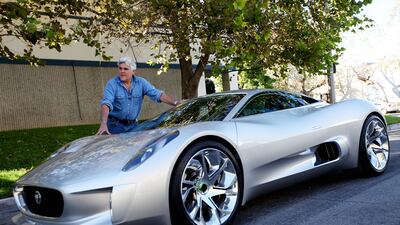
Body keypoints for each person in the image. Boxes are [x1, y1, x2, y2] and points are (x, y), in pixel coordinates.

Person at [96, 56, 181, 135]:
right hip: (115, 125)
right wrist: (103, 123)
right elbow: (106, 104)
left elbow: (158, 94)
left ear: (133, 71)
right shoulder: (112, 84)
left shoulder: (141, 83)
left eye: (125, 69)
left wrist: (176, 102)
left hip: (133, 126)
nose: (122, 71)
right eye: (120, 68)